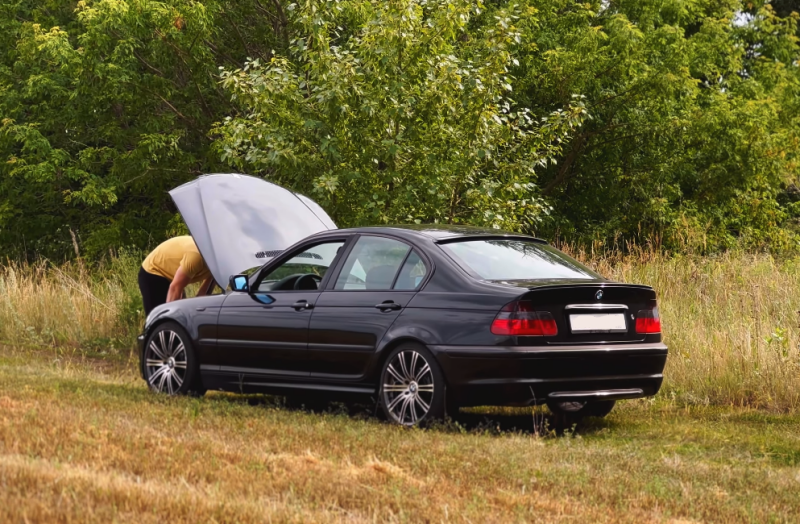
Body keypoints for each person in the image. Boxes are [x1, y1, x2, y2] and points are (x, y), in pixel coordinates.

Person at [138, 236, 213, 316]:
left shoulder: (218, 266)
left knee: (181, 317)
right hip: (153, 271)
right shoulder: (197, 255)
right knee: (159, 319)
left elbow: (202, 294)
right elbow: (175, 287)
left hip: (172, 276)